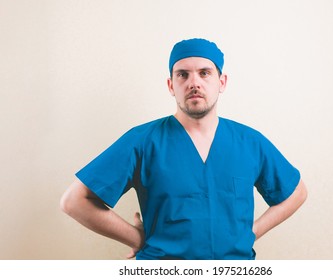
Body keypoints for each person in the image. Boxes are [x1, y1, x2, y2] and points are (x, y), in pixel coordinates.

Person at [60, 38, 307, 260]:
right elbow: (74, 201)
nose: (194, 83)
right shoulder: (143, 141)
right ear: (170, 85)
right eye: (183, 75)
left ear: (222, 82)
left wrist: (250, 234)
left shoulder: (250, 142)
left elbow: (297, 192)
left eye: (204, 73)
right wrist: (140, 240)